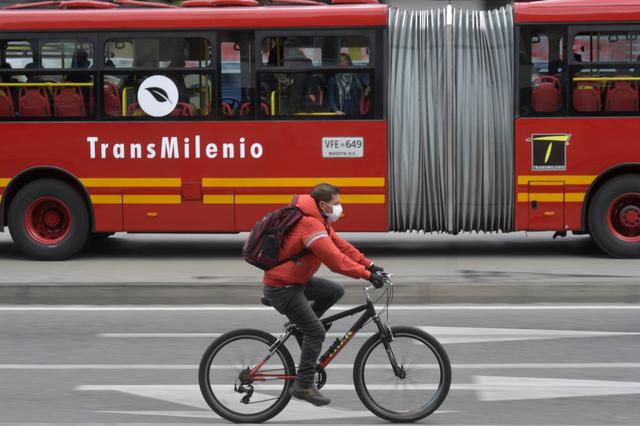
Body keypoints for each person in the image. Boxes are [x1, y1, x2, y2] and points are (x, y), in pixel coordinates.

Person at [262, 183, 385, 406]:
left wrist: (371, 265)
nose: (340, 208)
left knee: (334, 291)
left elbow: (341, 246)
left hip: (294, 280)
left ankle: (302, 328)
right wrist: (366, 275)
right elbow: (336, 262)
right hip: (283, 287)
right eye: (336, 204)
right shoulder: (310, 225)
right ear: (322, 205)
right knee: (316, 332)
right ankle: (303, 386)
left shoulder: (320, 221)